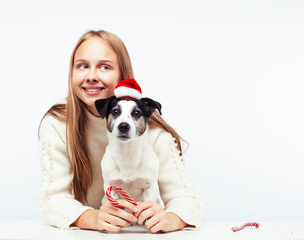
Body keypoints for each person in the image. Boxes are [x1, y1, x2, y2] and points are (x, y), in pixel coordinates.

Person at [38, 30, 203, 233]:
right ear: (71, 72)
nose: (91, 76)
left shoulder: (152, 131)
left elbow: (186, 202)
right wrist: (93, 218)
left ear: (122, 75)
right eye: (82, 66)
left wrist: (171, 219)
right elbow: (52, 200)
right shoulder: (57, 124)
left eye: (104, 67)